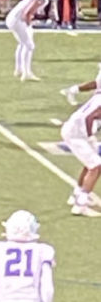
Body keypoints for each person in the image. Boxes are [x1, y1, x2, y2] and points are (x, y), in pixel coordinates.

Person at [5, 0, 61, 81]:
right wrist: (28, 23)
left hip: (13, 17)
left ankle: (19, 69)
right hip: (18, 19)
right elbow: (27, 12)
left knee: (23, 43)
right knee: (29, 45)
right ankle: (26, 73)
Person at [60, 87, 101, 216]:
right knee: (96, 166)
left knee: (90, 164)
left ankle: (77, 195)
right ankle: (80, 205)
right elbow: (90, 117)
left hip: (76, 130)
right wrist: (90, 137)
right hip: (77, 134)